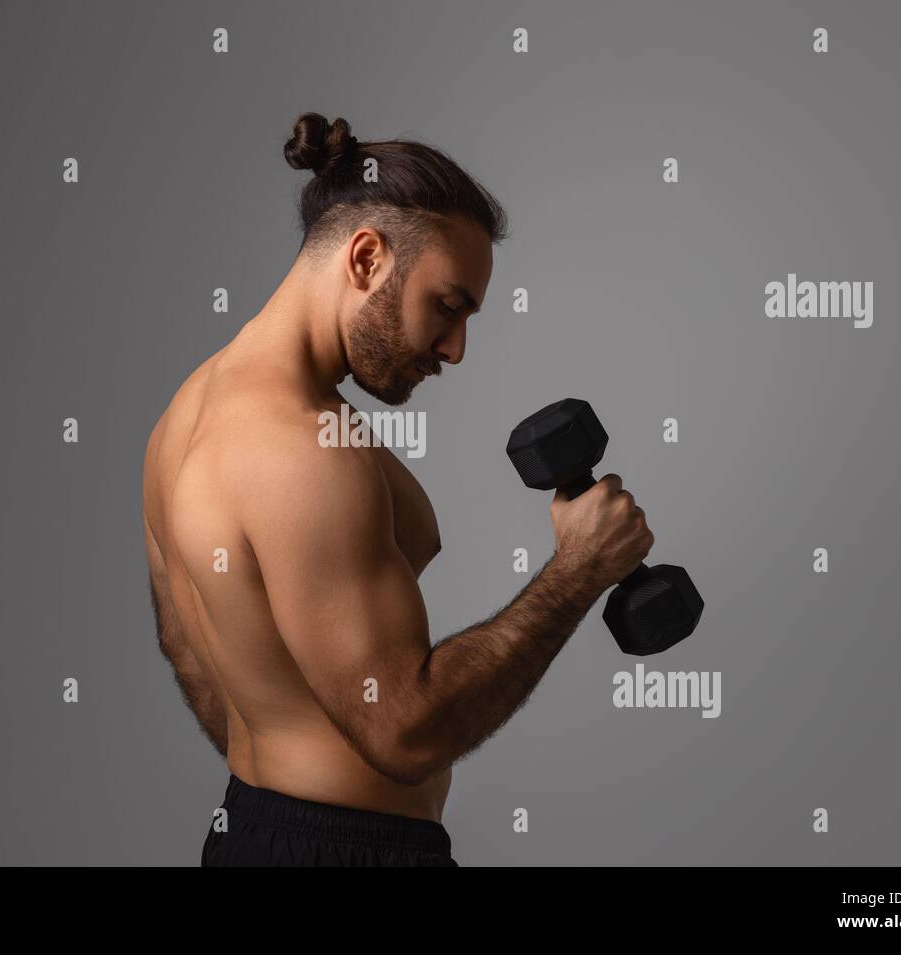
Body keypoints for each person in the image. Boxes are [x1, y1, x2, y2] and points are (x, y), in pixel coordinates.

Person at [141, 113, 654, 866]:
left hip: (253, 831)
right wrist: (577, 572)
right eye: (447, 307)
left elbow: (185, 648)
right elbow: (403, 731)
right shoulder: (299, 449)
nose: (455, 348)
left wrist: (286, 783)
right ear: (367, 258)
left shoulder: (188, 412)